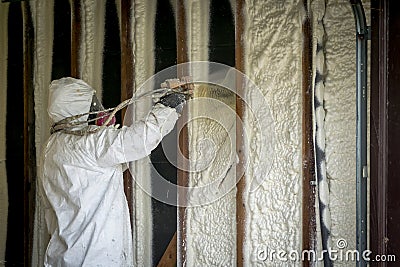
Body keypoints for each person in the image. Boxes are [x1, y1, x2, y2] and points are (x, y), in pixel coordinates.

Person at [38, 77, 187, 266]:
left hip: (64, 256)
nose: (99, 110)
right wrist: (170, 103)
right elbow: (140, 140)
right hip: (96, 257)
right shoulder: (89, 143)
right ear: (77, 109)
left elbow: (118, 158)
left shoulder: (51, 147)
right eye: (92, 105)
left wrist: (171, 108)